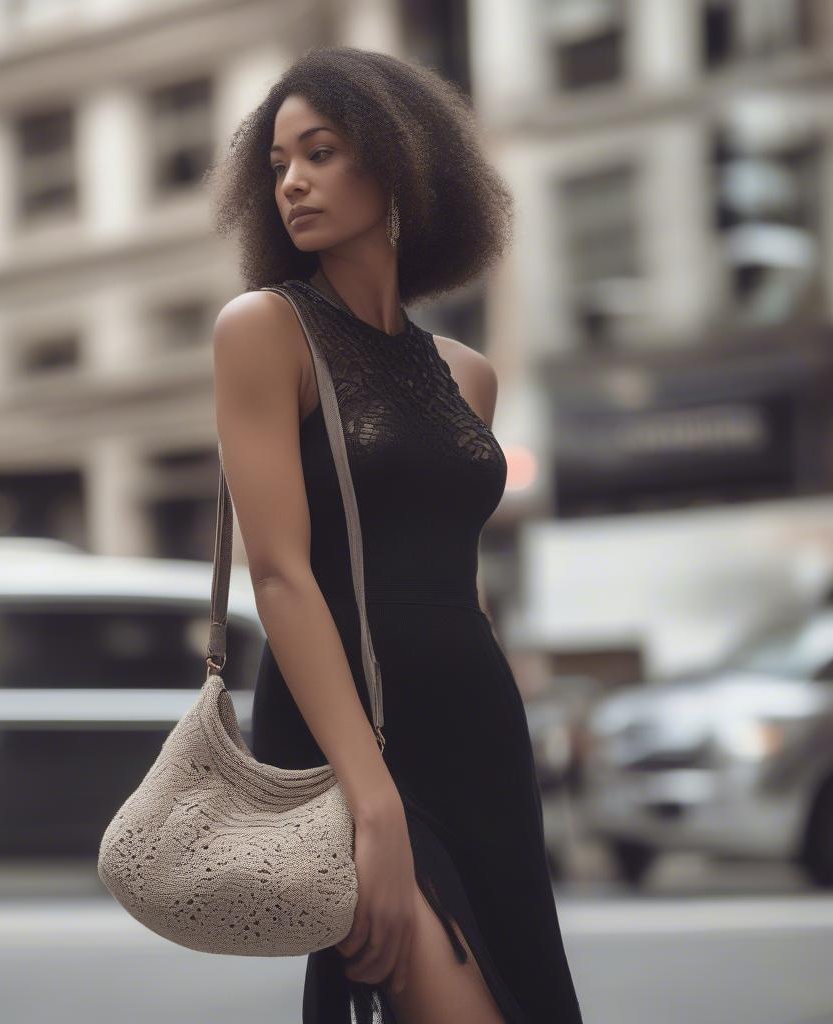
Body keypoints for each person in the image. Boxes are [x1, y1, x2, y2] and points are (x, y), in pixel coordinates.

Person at [206, 45, 584, 1024]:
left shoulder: (470, 377)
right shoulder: (263, 331)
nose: (290, 180)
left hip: (481, 738)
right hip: (348, 742)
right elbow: (281, 575)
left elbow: (450, 573)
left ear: (399, 156)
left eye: (320, 152)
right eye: (279, 162)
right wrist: (367, 801)